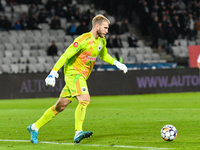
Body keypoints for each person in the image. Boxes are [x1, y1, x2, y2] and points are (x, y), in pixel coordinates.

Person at [27, 14, 128, 144]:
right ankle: (78, 132)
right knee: (85, 100)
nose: (107, 31)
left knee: (60, 106)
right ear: (97, 26)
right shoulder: (83, 39)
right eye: (105, 28)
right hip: (73, 74)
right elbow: (66, 55)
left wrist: (116, 63)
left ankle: (34, 127)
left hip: (81, 76)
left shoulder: (102, 41)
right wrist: (53, 72)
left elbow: (104, 55)